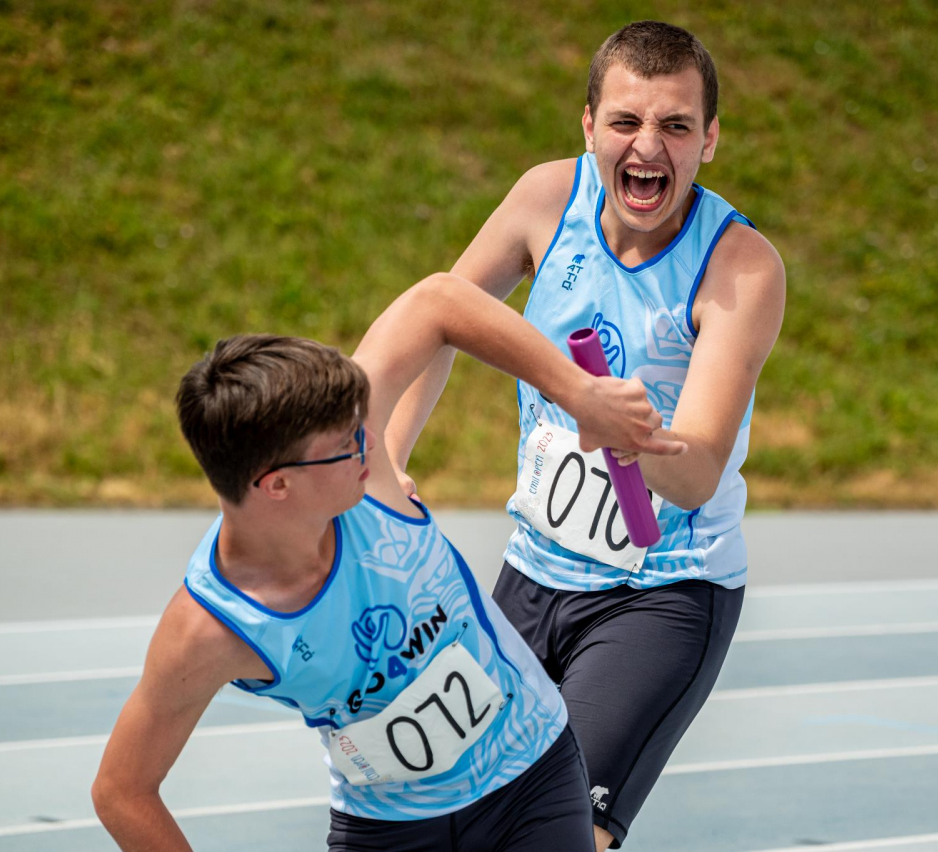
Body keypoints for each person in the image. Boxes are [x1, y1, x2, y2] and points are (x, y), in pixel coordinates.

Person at [91, 273, 684, 851]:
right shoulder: (210, 629)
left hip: (532, 778)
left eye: (360, 428)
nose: (371, 445)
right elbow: (122, 791)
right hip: (389, 830)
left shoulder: (366, 474)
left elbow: (439, 300)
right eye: (346, 445)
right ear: (276, 485)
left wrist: (581, 395)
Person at [385, 22, 787, 851]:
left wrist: (630, 433)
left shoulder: (740, 269)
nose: (649, 147)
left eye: (676, 126)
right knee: (447, 821)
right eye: (626, 122)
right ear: (589, 126)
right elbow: (439, 321)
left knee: (560, 839)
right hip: (532, 575)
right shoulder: (545, 200)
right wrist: (389, 458)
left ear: (710, 140)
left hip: (662, 592)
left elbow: (698, 475)